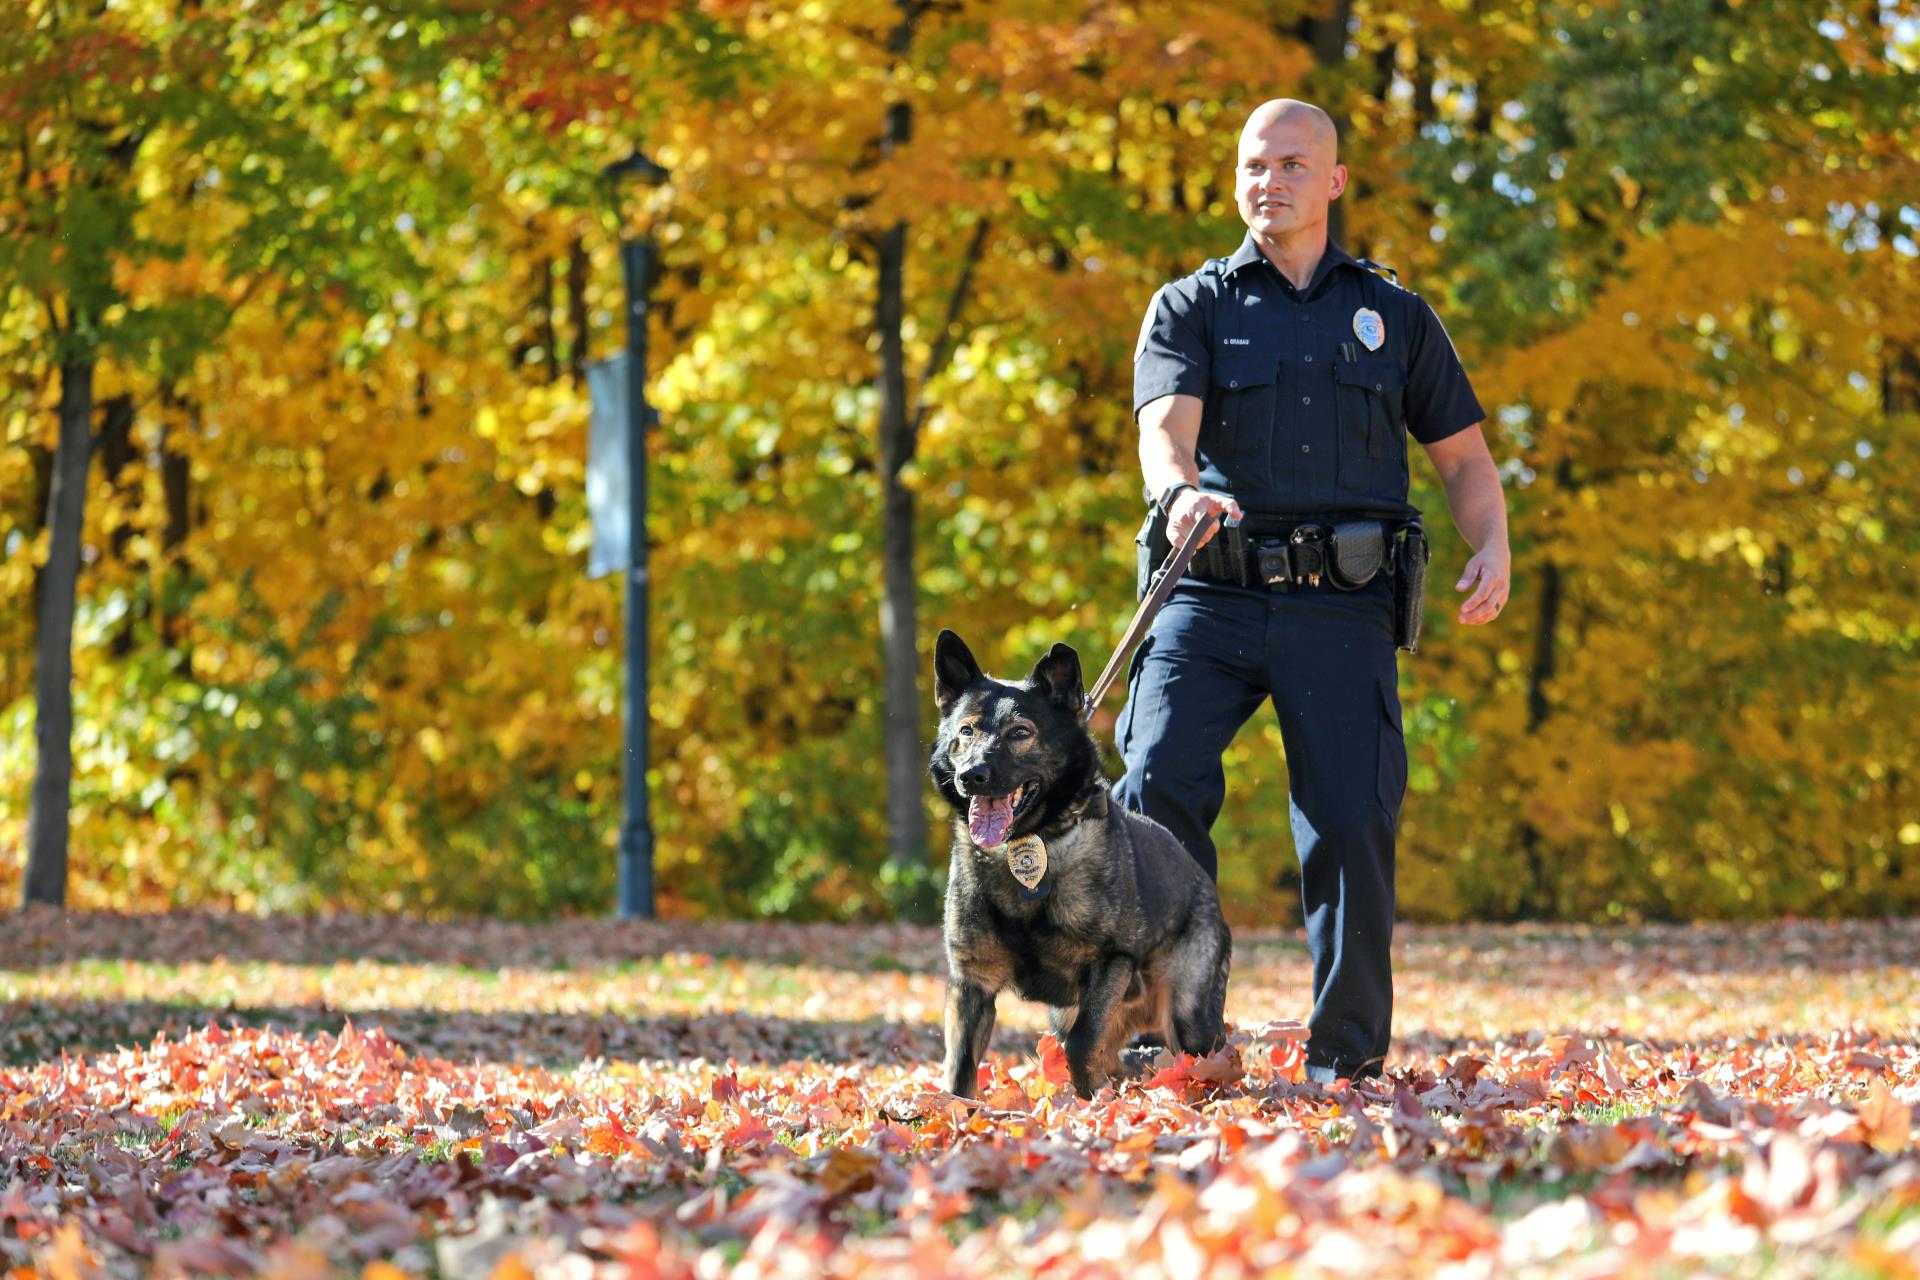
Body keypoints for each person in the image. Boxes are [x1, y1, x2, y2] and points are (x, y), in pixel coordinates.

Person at [1116, 98, 1511, 1085]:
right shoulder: (1192, 306)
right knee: (1154, 784)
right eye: (1254, 165)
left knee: (1349, 821)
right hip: (1209, 589)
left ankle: (1346, 1060)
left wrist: (1493, 541)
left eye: (1293, 164)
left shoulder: (1395, 317)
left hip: (1341, 604)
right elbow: (1165, 430)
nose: (1269, 181)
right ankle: (1176, 1037)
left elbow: (1464, 458)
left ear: (1333, 181)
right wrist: (1175, 493)